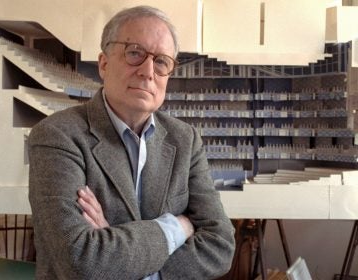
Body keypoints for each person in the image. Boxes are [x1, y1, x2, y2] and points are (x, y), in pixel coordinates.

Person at [28, 5, 235, 280]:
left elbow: (220, 246)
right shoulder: (57, 136)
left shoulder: (185, 140)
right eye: (135, 53)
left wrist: (123, 257)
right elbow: (81, 261)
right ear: (103, 63)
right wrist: (177, 227)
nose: (148, 71)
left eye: (161, 61)